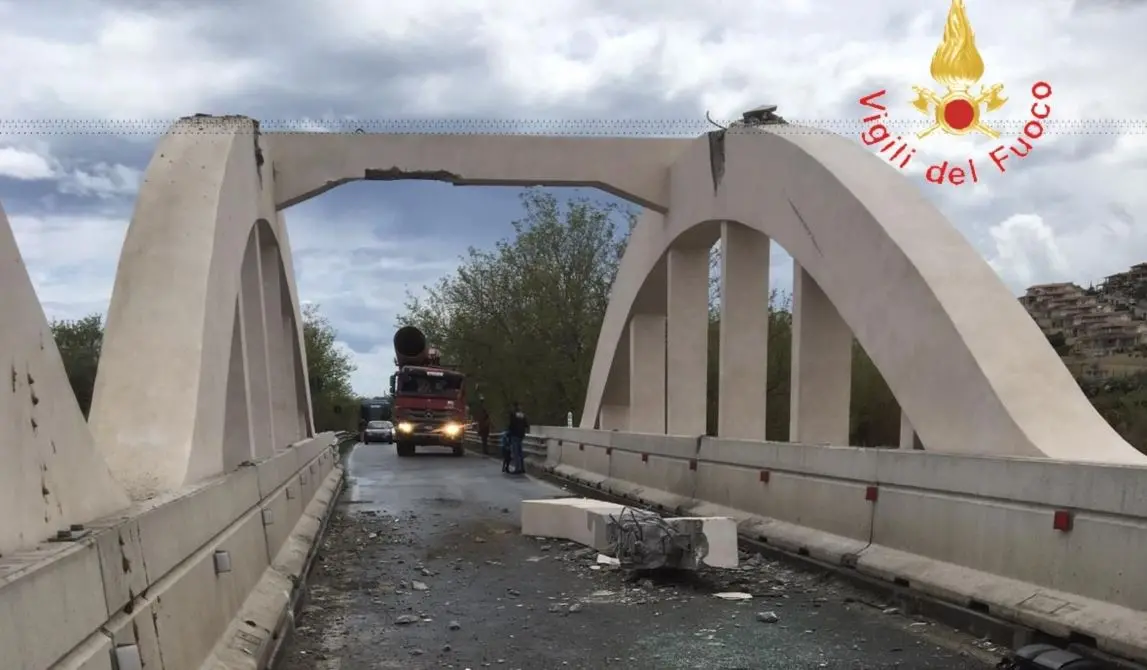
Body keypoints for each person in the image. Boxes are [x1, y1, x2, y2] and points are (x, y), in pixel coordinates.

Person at [506, 401, 530, 475]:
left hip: (515, 435)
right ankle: (522, 468)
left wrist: (509, 433)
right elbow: (526, 425)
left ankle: (517, 468)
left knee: (516, 452)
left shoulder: (512, 414)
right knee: (520, 452)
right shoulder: (522, 415)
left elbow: (511, 425)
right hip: (521, 435)